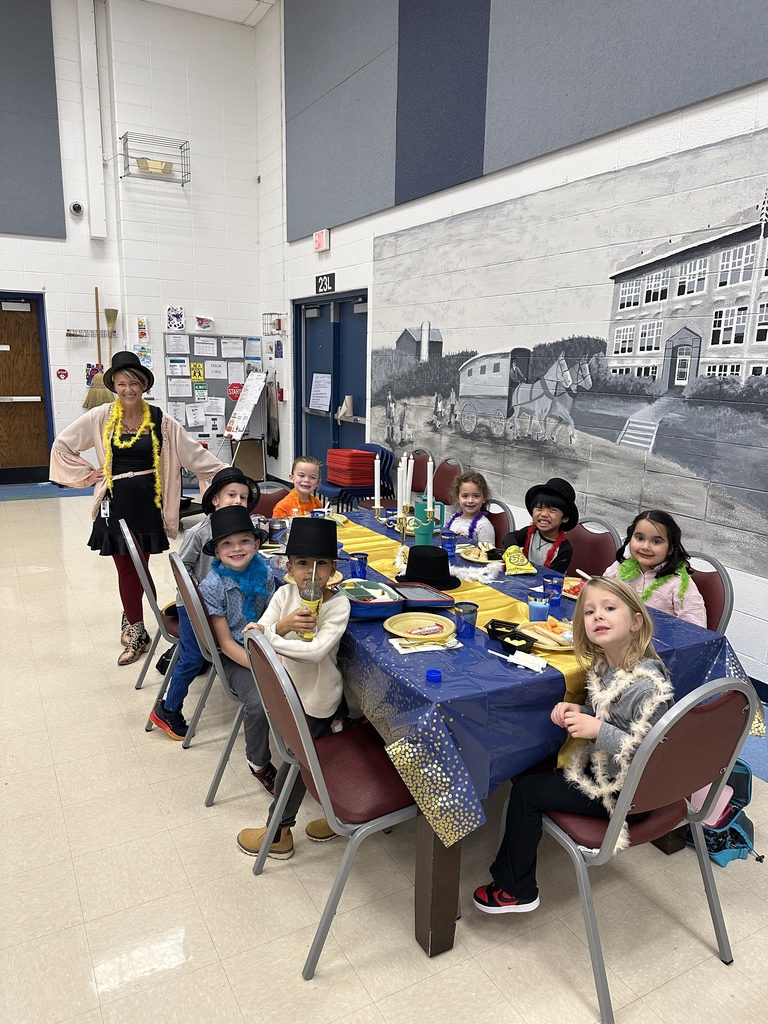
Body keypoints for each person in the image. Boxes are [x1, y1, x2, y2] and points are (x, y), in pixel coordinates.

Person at [473, 577, 673, 914]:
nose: (598, 617)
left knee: (526, 792)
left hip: (627, 792)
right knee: (528, 775)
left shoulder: (646, 684)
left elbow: (651, 751)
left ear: (636, 621)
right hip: (607, 772)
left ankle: (515, 890)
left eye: (610, 609)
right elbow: (611, 716)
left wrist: (596, 729)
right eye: (590, 611)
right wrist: (580, 712)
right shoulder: (607, 664)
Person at [49, 351, 224, 665]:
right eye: (121, 383)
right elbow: (63, 445)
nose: (127, 389)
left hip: (147, 504)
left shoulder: (160, 420)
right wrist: (89, 474)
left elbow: (195, 457)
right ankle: (138, 628)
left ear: (143, 385)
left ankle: (136, 618)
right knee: (125, 569)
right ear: (114, 386)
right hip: (113, 503)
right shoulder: (102, 416)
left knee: (140, 568)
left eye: (133, 383)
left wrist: (227, 479)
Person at [236, 517, 351, 859]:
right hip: (289, 692)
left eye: (321, 564)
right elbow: (257, 632)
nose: (311, 573)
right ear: (288, 567)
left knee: (297, 763)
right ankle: (338, 816)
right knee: (319, 759)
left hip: (317, 699)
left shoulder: (338, 605)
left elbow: (314, 652)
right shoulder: (285, 594)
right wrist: (282, 627)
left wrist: (270, 636)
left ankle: (279, 833)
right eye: (302, 563)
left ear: (333, 568)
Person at [150, 466, 260, 740]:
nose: (237, 501)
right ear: (215, 500)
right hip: (195, 604)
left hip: (224, 602)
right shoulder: (200, 532)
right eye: (231, 495)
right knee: (193, 656)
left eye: (243, 497)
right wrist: (197, 596)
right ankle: (168, 709)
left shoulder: (244, 528)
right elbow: (182, 566)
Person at [198, 504, 277, 793]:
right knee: (258, 700)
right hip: (234, 656)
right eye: (227, 543)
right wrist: (263, 667)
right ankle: (258, 762)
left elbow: (270, 618)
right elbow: (225, 643)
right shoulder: (213, 585)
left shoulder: (264, 574)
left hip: (263, 645)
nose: (237, 549)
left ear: (256, 544)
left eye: (244, 540)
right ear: (217, 551)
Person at [603, 510, 707, 627]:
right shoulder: (620, 567)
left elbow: (696, 630)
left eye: (656, 541)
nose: (646, 547)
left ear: (671, 548)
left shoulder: (680, 584)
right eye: (640, 538)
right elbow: (601, 597)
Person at [502, 476, 578, 573]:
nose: (544, 514)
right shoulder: (531, 532)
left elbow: (551, 576)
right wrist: (514, 551)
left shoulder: (564, 549)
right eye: (539, 508)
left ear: (565, 518)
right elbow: (510, 537)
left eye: (552, 510)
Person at [444, 471, 496, 546]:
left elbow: (488, 553)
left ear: (484, 498)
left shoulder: (484, 526)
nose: (470, 501)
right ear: (458, 498)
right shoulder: (453, 518)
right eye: (465, 496)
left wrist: (466, 542)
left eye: (476, 496)